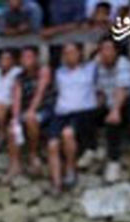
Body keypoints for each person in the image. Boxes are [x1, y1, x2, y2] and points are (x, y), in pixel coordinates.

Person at [46, 42, 97, 192]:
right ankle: (56, 182)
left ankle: (70, 170)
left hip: (81, 112)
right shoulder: (59, 73)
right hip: (61, 112)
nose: (69, 56)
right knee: (52, 145)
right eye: (66, 53)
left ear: (79, 54)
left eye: (73, 52)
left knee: (67, 134)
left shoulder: (89, 70)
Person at [93, 36, 130, 182]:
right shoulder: (98, 65)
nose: (105, 53)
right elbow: (100, 91)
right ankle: (91, 149)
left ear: (116, 51)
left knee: (113, 122)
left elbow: (121, 89)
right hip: (110, 102)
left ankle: (114, 161)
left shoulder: (123, 63)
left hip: (126, 104)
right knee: (86, 112)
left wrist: (115, 110)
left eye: (109, 49)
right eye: (102, 49)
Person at [9, 45, 52, 178]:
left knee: (31, 119)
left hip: (45, 108)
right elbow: (17, 98)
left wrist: (31, 110)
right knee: (12, 128)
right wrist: (15, 118)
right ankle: (15, 164)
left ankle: (33, 154)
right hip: (26, 109)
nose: (26, 60)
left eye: (29, 57)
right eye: (23, 57)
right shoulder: (19, 77)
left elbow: (40, 93)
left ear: (36, 58)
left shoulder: (44, 71)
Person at [0, 48, 21, 174]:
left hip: (9, 104)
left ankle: (1, 132)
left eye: (8, 59)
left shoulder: (17, 72)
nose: (4, 61)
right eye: (2, 59)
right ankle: (1, 131)